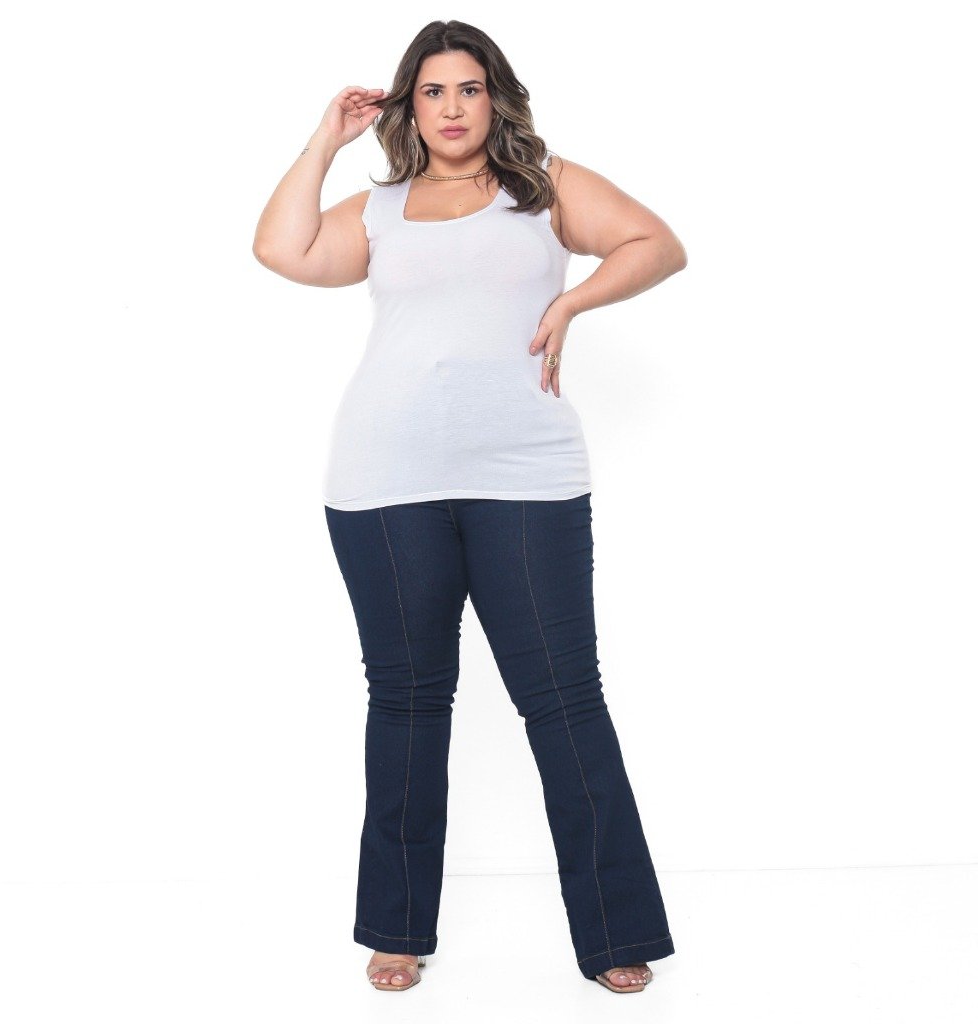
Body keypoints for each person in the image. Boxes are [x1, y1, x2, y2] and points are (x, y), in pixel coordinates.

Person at [252, 20, 687, 994]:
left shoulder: (544, 189)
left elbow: (657, 244)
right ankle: (396, 928)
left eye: (470, 89)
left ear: (496, 98)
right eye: (434, 91)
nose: (452, 108)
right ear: (409, 106)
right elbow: (281, 249)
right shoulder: (380, 208)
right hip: (384, 481)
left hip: (526, 475)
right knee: (407, 702)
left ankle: (616, 931)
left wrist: (571, 303)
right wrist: (325, 139)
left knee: (564, 700)